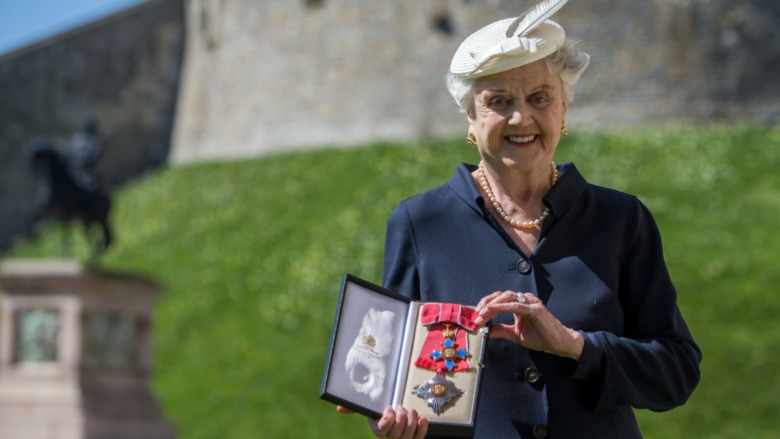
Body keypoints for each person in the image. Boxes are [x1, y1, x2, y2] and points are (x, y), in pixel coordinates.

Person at [338, 1, 701, 437]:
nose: (520, 117)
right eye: (498, 101)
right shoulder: (420, 222)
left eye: (539, 98)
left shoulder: (621, 219)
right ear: (471, 118)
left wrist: (574, 344)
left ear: (563, 110)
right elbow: (393, 376)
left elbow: (676, 373)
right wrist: (390, 416)